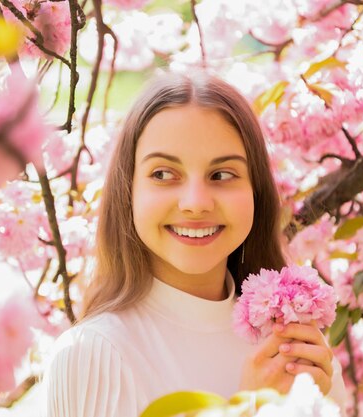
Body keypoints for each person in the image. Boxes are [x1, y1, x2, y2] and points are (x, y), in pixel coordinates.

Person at [44, 71, 347, 416]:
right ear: (128, 192)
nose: (196, 202)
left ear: (255, 191)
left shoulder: (295, 347)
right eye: (162, 174)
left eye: (221, 175)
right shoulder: (94, 354)